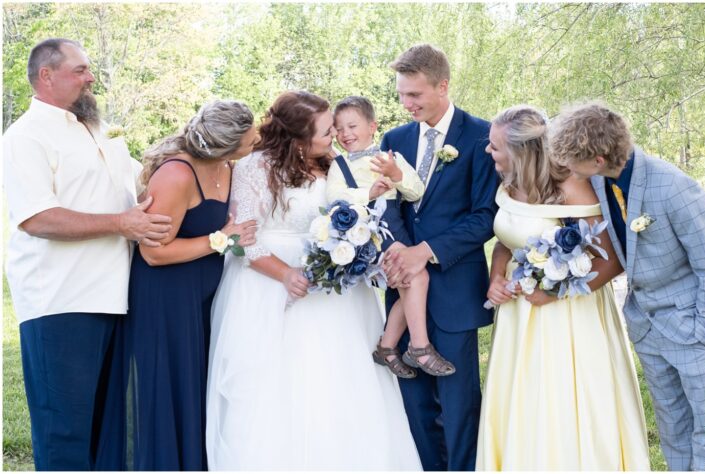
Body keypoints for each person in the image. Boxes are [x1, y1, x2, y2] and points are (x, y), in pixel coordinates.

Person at [205, 91, 421, 470]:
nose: (333, 138)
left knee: (341, 385)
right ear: (297, 138)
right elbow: (239, 241)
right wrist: (285, 273)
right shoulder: (255, 168)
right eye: (325, 132)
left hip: (332, 284)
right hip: (268, 284)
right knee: (279, 388)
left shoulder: (332, 162)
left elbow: (353, 207)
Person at [2, 38, 171, 471]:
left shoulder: (96, 130)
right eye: (79, 70)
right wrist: (121, 225)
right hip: (61, 302)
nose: (90, 78)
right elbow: (38, 218)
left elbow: (142, 186)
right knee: (66, 434)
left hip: (116, 299)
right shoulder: (24, 137)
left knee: (108, 432)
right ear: (46, 76)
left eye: (89, 69)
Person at [477, 105, 650, 470]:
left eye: (495, 147)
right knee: (524, 399)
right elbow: (508, 242)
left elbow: (612, 258)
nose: (488, 152)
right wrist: (495, 278)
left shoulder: (572, 186)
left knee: (562, 397)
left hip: (570, 315)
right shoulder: (509, 181)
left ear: (521, 151)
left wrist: (556, 293)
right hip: (518, 315)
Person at [552, 102, 705, 470]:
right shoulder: (599, 182)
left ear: (599, 159)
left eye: (575, 164)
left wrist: (702, 327)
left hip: (688, 325)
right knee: (672, 424)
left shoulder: (672, 187)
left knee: (703, 424)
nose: (570, 172)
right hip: (646, 326)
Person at [377, 44, 500, 471]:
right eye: (401, 95)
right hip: (403, 288)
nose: (406, 104)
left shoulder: (482, 136)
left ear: (443, 86)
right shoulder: (394, 140)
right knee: (414, 403)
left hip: (454, 288)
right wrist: (399, 252)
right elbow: (387, 205)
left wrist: (424, 252)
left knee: (459, 403)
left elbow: (486, 216)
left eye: (415, 95)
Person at [121, 100, 259, 470]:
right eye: (249, 141)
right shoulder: (176, 175)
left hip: (207, 294)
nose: (256, 142)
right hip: (166, 296)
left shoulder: (228, 166)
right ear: (223, 146)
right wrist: (222, 240)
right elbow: (153, 253)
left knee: (201, 388)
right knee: (171, 391)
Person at [326, 96, 454, 379]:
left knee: (410, 283)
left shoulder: (390, 158)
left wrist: (396, 175)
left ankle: (387, 347)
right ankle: (418, 347)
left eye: (352, 126)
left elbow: (416, 191)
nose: (345, 134)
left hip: (395, 225)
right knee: (417, 278)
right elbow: (332, 199)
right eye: (339, 128)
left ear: (372, 126)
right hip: (368, 232)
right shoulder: (339, 165)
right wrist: (366, 194)